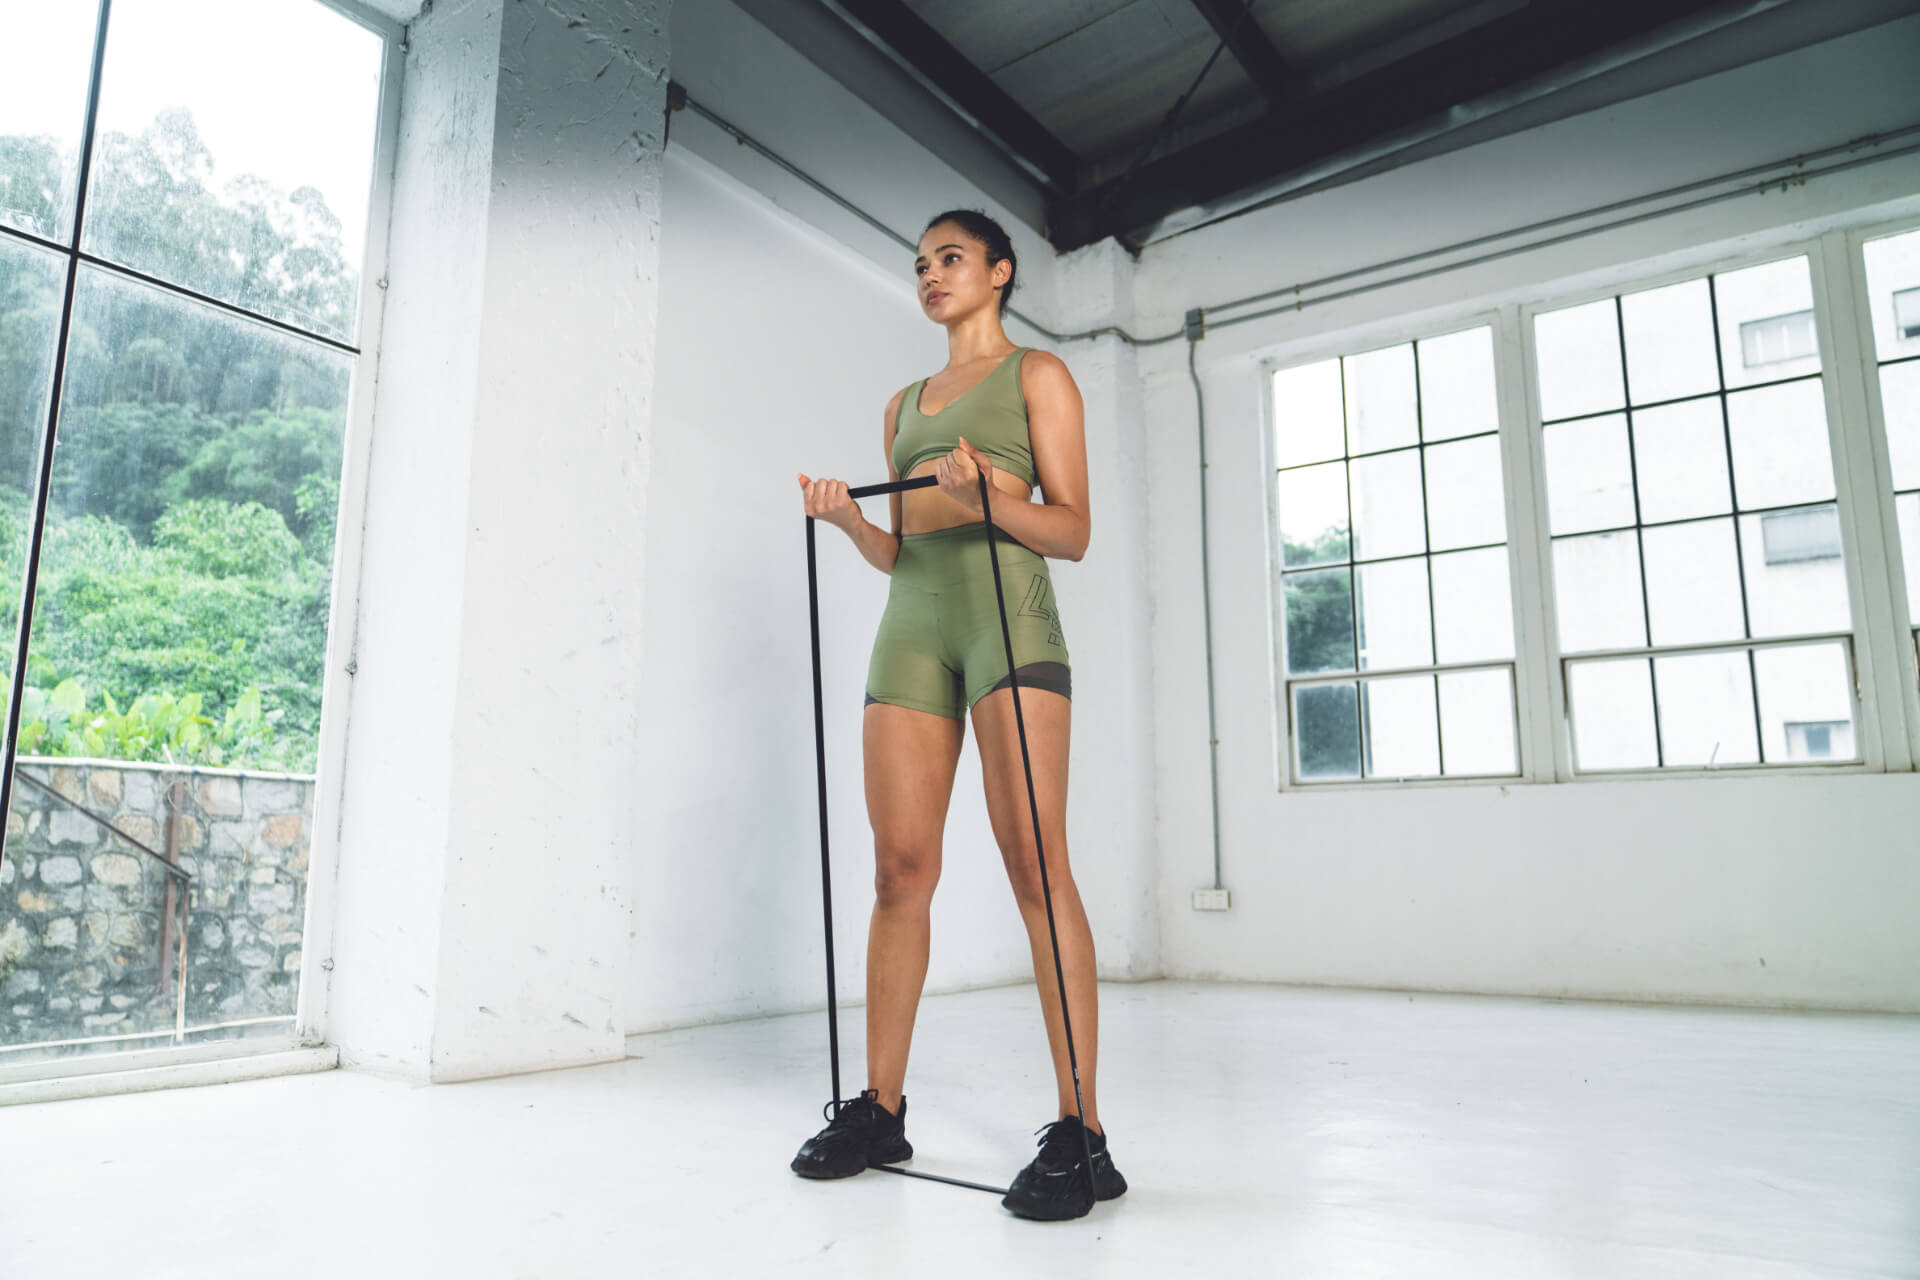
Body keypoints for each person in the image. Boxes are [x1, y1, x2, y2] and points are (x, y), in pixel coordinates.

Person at [789, 209, 1126, 1221]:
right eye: (921, 263)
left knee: (1035, 862)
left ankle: (1083, 1129)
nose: (931, 274)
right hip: (912, 631)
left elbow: (1071, 531)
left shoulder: (1038, 379)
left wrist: (987, 498)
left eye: (950, 258)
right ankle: (881, 1105)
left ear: (999, 270)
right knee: (899, 870)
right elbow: (905, 549)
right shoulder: (901, 406)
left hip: (1008, 628)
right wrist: (850, 518)